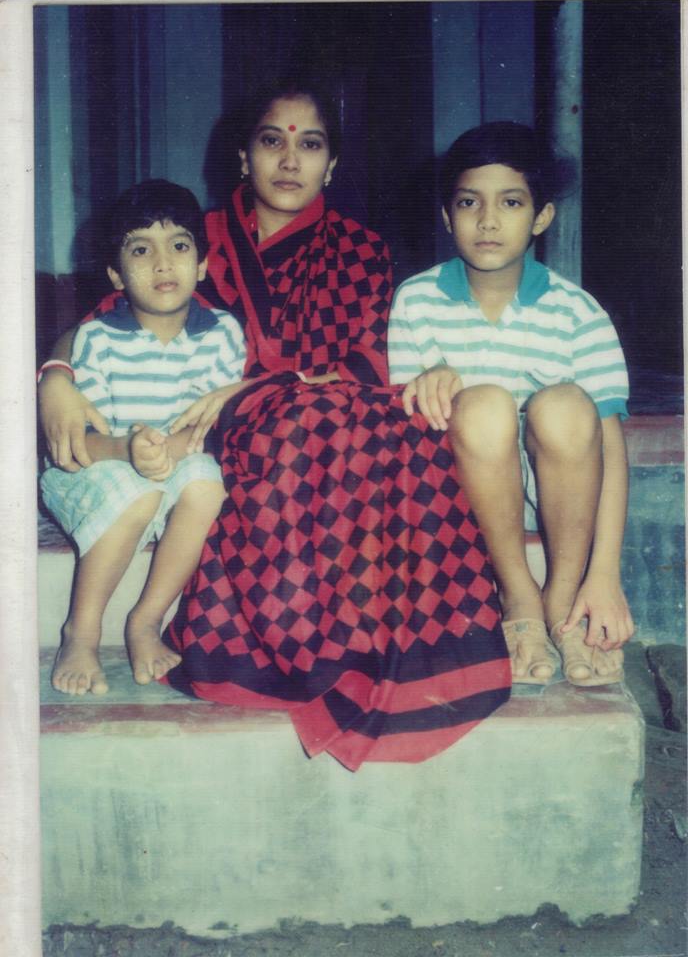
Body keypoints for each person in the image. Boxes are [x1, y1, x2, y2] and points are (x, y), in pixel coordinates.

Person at [38, 80, 511, 770]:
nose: (290, 160)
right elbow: (110, 315)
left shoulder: (360, 250)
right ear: (243, 157)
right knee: (302, 424)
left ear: (332, 165)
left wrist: (266, 384)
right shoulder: (193, 238)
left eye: (310, 144)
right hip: (217, 426)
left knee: (387, 430)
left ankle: (378, 642)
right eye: (271, 141)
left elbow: (364, 362)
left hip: (319, 407)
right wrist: (55, 374)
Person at [389, 121, 634, 688]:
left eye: (511, 202)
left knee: (567, 405)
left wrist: (605, 574)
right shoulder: (416, 301)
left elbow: (611, 454)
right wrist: (429, 382)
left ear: (541, 217)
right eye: (469, 202)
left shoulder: (579, 313)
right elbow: (408, 437)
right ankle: (520, 597)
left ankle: (564, 599)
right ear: (447, 216)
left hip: (562, 501)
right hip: (463, 501)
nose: (488, 220)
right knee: (483, 404)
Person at [40, 179, 246, 695]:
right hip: (94, 467)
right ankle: (81, 630)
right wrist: (129, 452)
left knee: (207, 482)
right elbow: (82, 443)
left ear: (202, 264)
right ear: (115, 274)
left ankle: (146, 620)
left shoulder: (222, 333)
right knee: (138, 492)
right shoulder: (97, 339)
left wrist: (164, 452)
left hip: (174, 460)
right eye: (140, 250)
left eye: (179, 245)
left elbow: (210, 425)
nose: (162, 263)